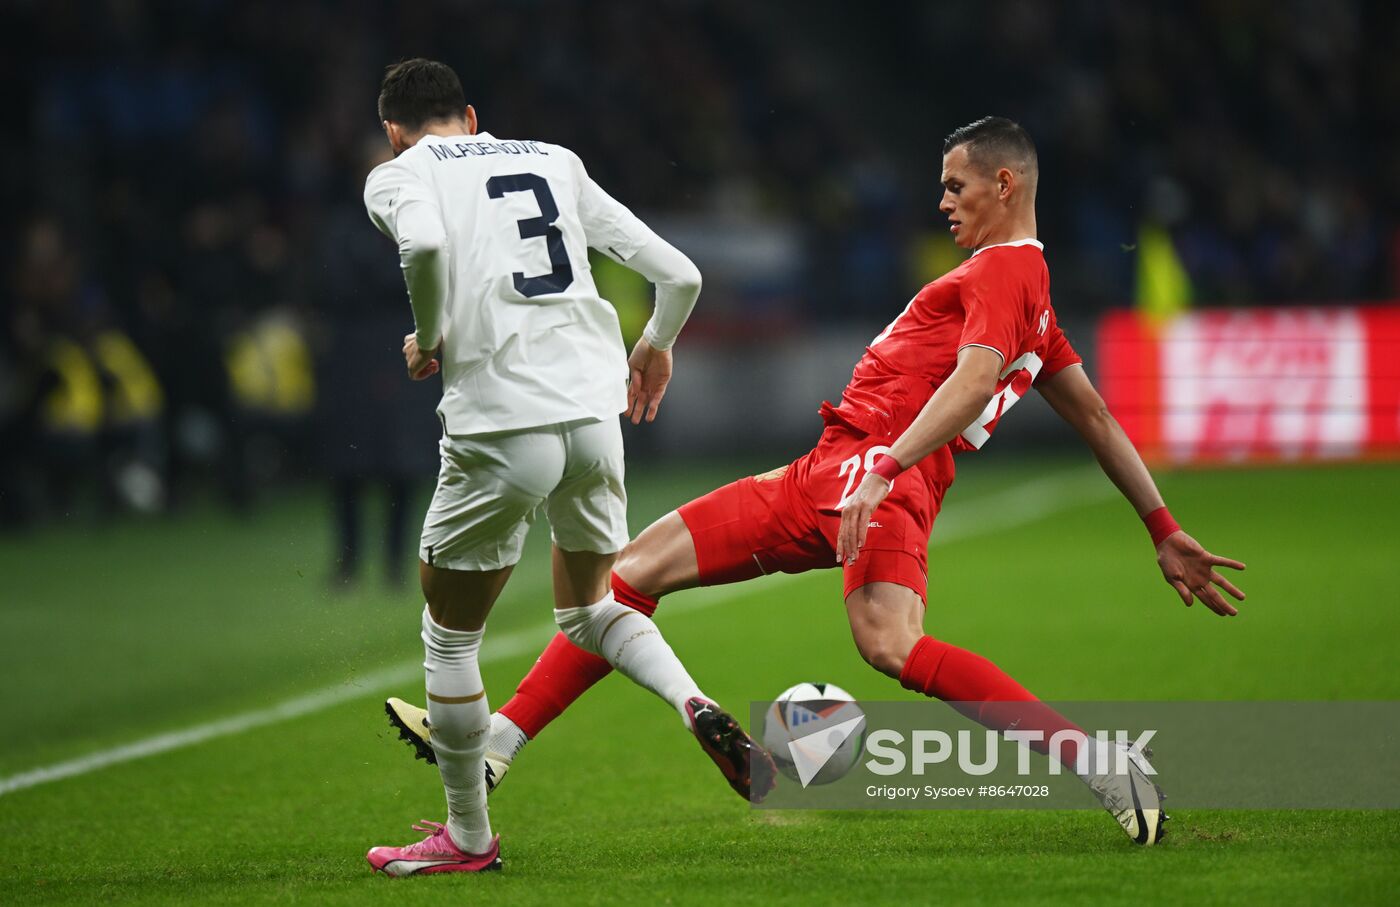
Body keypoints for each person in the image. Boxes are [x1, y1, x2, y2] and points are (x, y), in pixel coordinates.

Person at [386, 116, 1248, 847]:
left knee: (888, 644)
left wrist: (891, 465)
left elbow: (974, 380)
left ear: (1008, 182)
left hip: (871, 475)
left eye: (956, 187)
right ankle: (496, 742)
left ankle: (1097, 763)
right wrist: (1161, 523)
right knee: (628, 576)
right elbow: (1094, 418)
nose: (944, 203)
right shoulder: (1040, 299)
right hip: (828, 471)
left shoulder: (1003, 271)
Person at [360, 59, 768, 877]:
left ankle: (468, 839)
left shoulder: (397, 175)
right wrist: (656, 342)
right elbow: (681, 273)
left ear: (394, 130)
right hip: (594, 416)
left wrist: (431, 336)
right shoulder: (552, 157)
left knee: (449, 634)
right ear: (472, 117)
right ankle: (693, 701)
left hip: (503, 426)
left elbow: (429, 243)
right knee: (588, 610)